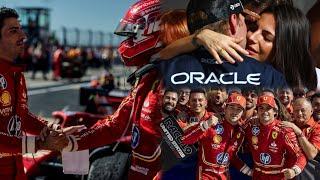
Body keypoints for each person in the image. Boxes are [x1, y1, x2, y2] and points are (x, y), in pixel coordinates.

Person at [59, 3, 193, 180]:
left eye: (133, 35)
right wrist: (70, 140)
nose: (126, 44)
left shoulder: (185, 81)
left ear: (156, 31)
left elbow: (185, 157)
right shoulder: (149, 78)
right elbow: (116, 124)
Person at [0, 7, 83, 179]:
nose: (23, 36)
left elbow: (22, 116)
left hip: (16, 168)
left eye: (21, 29)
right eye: (14, 31)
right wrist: (38, 143)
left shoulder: (16, 74)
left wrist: (51, 128)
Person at [159, 1, 317, 91]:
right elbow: (157, 58)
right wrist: (199, 37)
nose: (251, 37)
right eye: (253, 28)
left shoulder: (311, 86)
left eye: (266, 37)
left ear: (287, 47)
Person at [182, 93, 252, 179]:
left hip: (224, 177)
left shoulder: (240, 133)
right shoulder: (211, 123)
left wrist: (250, 172)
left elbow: (231, 157)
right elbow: (185, 140)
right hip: (205, 176)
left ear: (243, 112)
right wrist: (205, 125)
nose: (234, 112)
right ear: (225, 108)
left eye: (238, 109)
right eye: (231, 107)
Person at [245, 95, 306, 179]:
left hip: (278, 177)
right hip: (257, 176)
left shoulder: (284, 130)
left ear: (275, 111)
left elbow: (300, 155)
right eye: (261, 108)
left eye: (268, 108)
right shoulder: (251, 127)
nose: (264, 111)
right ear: (257, 111)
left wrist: (294, 170)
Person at [280, 98, 320, 179]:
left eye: (303, 110)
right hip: (286, 173)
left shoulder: (317, 128)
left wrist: (298, 132)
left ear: (311, 111)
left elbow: (311, 154)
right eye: (296, 110)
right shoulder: (288, 125)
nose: (299, 113)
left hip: (308, 174)